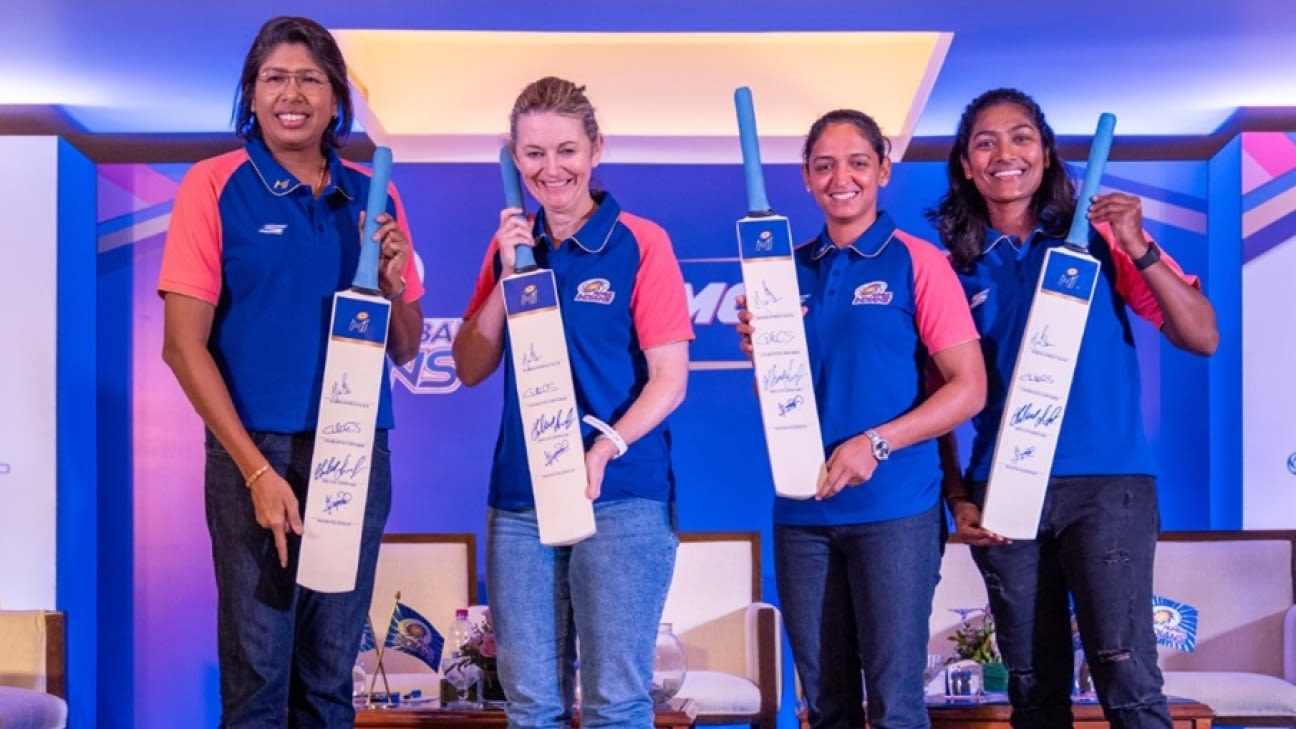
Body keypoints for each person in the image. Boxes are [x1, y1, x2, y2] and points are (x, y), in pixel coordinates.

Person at [158, 16, 424, 728]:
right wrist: (255, 471)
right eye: (275, 78)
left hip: (355, 452)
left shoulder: (375, 195)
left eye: (310, 79)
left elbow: (405, 347)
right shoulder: (214, 185)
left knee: (329, 682)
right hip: (257, 454)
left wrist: (394, 283)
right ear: (251, 94)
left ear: (337, 98)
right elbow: (182, 347)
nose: (292, 94)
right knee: (258, 681)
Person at [930, 88, 1219, 729]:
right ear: (967, 166)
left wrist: (1140, 245)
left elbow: (1202, 336)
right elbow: (936, 396)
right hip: (1005, 494)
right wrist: (958, 497)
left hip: (1107, 488)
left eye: (1021, 137)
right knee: (1033, 690)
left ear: (1046, 152)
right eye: (985, 143)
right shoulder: (953, 272)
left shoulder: (1102, 243)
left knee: (1127, 677)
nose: (1005, 153)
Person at [451, 76, 693, 728]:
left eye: (566, 150)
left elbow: (670, 380)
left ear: (595, 149)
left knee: (616, 703)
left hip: (620, 495)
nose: (551, 169)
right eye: (533, 154)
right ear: (515, 158)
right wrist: (507, 276)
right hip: (521, 500)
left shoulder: (640, 242)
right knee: (531, 706)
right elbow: (469, 366)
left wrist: (604, 450)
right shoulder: (508, 244)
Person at [736, 109, 987, 729]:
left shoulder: (917, 262)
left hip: (895, 511)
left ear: (883, 170)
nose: (840, 178)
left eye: (857, 163)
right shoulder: (784, 272)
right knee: (826, 707)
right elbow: (782, 399)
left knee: (896, 706)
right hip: (803, 513)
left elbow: (969, 389)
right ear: (805, 177)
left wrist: (876, 443)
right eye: (824, 166)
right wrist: (763, 356)